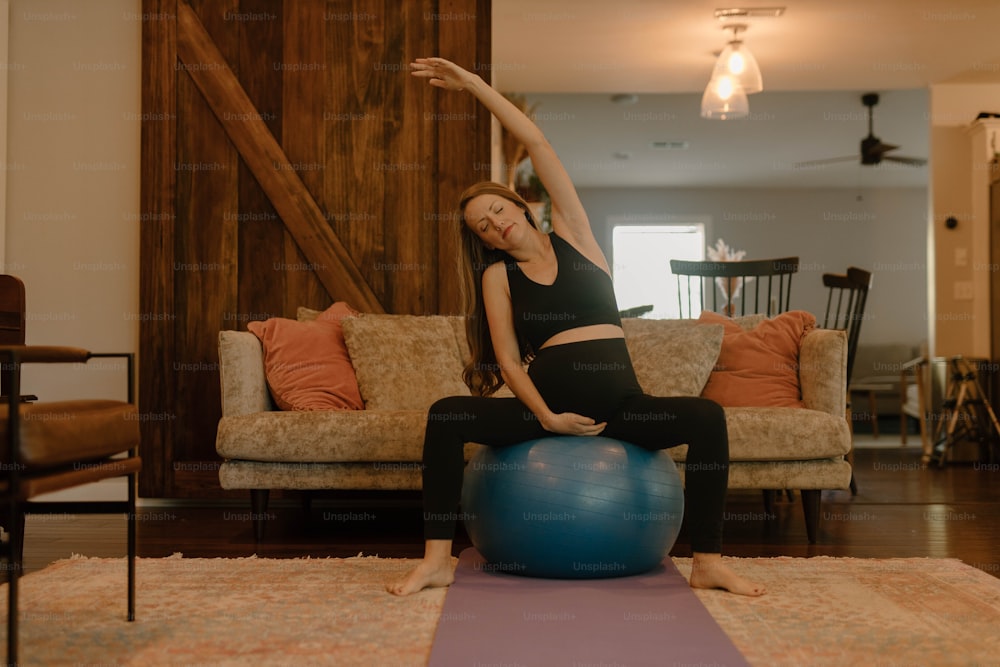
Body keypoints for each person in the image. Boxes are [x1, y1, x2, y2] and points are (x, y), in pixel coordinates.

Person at [388, 57, 765, 598]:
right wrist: (546, 418)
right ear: (485, 240)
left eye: (497, 209)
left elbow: (538, 144)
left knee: (706, 418)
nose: (496, 224)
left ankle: (706, 561)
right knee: (446, 416)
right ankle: (436, 561)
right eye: (483, 226)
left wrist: (472, 86)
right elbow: (511, 362)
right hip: (545, 410)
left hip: (620, 405)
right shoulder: (498, 276)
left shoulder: (577, 236)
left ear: (518, 202)